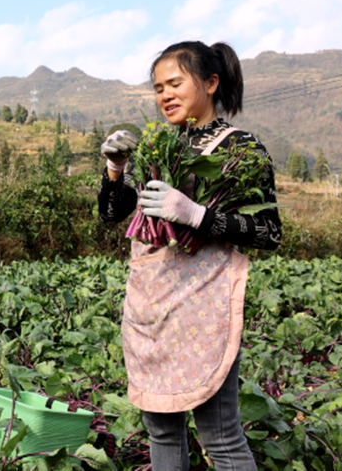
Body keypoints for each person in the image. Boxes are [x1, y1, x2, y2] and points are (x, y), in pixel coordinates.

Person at [99, 41, 281, 470]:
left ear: (211, 82)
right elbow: (112, 213)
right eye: (158, 87)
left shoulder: (239, 147)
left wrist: (199, 215)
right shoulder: (158, 146)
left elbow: (269, 231)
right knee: (161, 431)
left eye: (175, 83)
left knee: (220, 436)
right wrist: (115, 169)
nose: (164, 95)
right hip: (152, 305)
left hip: (203, 304)